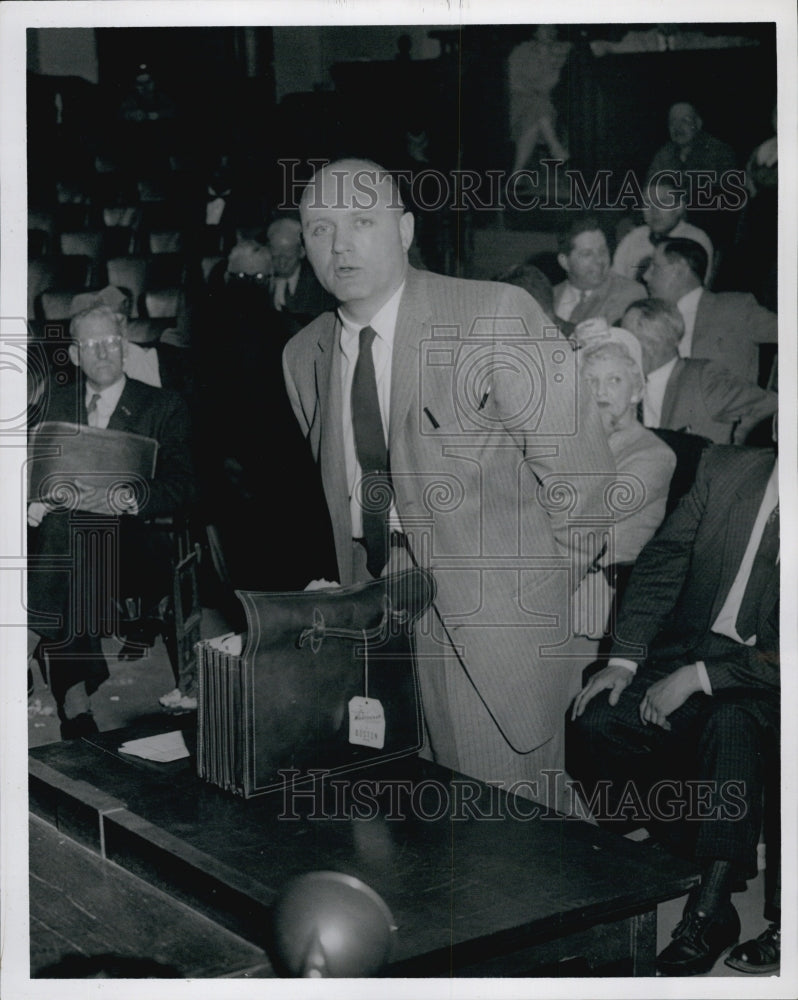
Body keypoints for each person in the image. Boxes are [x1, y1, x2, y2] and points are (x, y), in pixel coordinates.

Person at [283, 158, 615, 805]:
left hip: (489, 627)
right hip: (377, 620)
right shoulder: (304, 354)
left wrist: (525, 593)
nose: (340, 243)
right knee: (423, 841)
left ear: (405, 229)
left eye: (361, 221)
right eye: (319, 227)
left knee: (516, 841)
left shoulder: (493, 314)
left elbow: (585, 483)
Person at [568, 440, 779, 975]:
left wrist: (701, 679)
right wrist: (625, 660)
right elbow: (664, 561)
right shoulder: (727, 468)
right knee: (598, 721)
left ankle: (710, 909)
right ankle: (696, 850)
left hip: (770, 677)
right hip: (690, 648)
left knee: (732, 727)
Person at [27, 305, 196, 736]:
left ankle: (35, 643)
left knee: (64, 538)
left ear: (124, 347)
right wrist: (33, 499)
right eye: (91, 345)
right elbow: (27, 469)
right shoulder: (55, 405)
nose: (103, 352)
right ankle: (73, 690)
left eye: (111, 342)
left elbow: (185, 486)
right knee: (62, 528)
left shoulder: (162, 404)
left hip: (134, 542)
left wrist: (130, 497)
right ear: (75, 354)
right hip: (63, 540)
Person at [577, 325, 676, 565]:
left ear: (636, 391)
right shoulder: (577, 440)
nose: (600, 391)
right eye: (590, 380)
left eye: (614, 380)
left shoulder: (655, 456)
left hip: (600, 585)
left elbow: (586, 514)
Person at [621, 298, 778, 445]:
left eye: (626, 339)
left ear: (653, 344)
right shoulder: (628, 383)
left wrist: (736, 458)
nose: (620, 347)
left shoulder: (702, 378)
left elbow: (769, 406)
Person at [642, 238, 777, 383]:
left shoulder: (735, 309)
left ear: (680, 269)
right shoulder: (648, 318)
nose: (646, 276)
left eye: (655, 267)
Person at [613, 178, 714, 285]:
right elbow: (614, 280)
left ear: (679, 207)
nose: (654, 210)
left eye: (663, 202)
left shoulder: (694, 240)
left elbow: (692, 291)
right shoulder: (634, 237)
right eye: (648, 203)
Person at [553, 214, 646, 327]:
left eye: (602, 251)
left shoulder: (629, 294)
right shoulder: (549, 297)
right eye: (587, 254)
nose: (599, 260)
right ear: (565, 262)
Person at [508, 25, 572, 171]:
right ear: (535, 32)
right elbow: (511, 83)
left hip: (542, 107)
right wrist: (533, 91)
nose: (550, 32)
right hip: (516, 103)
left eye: (553, 28)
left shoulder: (559, 51)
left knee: (536, 117)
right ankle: (555, 147)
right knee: (538, 108)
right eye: (545, 28)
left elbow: (551, 84)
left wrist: (550, 59)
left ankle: (515, 177)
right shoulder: (521, 51)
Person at [266, 216, 335, 335]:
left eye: (288, 256)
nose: (282, 263)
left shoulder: (321, 287)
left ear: (302, 252)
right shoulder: (258, 282)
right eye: (276, 256)